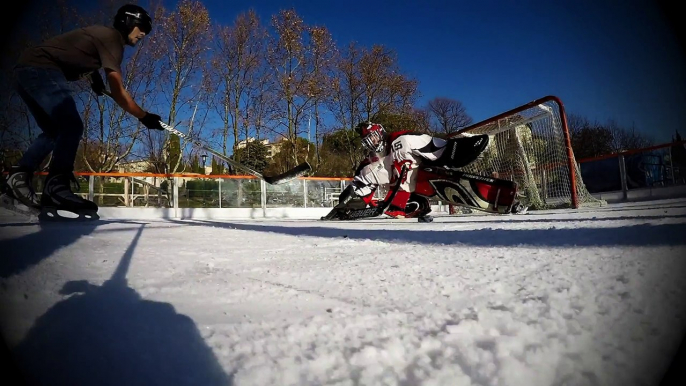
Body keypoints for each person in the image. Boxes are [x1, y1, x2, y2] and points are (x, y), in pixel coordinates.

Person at [2, 4, 165, 219]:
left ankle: (18, 179)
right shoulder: (113, 39)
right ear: (128, 23)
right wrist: (144, 116)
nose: (144, 33)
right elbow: (118, 90)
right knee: (71, 125)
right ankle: (57, 188)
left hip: (25, 71)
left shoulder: (103, 38)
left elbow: (76, 51)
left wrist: (94, 77)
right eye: (141, 27)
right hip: (41, 69)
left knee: (54, 131)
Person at [343, 121, 489, 219]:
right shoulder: (385, 150)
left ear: (380, 132)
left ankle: (398, 204)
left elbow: (402, 163)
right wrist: (355, 190)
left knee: (398, 152)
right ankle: (413, 202)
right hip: (427, 167)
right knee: (383, 165)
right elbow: (373, 169)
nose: (371, 143)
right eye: (367, 142)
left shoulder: (397, 141)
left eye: (372, 138)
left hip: (448, 152)